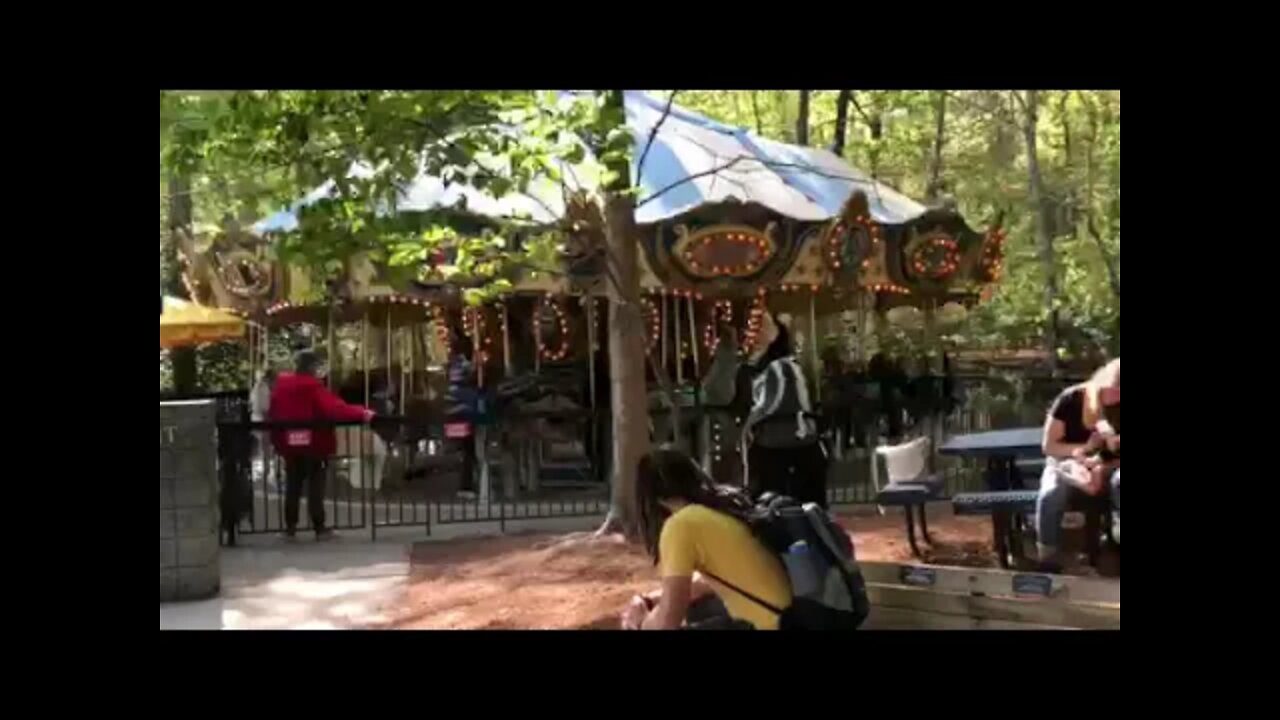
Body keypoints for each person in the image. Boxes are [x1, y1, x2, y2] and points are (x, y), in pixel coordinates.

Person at [620, 448, 792, 630]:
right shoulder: (719, 510)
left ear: (652, 499)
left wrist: (640, 623)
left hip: (766, 625)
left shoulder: (681, 524)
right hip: (788, 618)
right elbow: (705, 584)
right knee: (697, 609)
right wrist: (651, 600)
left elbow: (667, 623)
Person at [269, 350, 375, 541]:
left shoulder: (281, 386)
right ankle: (319, 527)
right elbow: (333, 408)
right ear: (311, 367)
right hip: (314, 442)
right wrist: (362, 413)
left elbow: (273, 412)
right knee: (315, 485)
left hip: (290, 443)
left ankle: (290, 528)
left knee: (293, 485)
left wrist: (277, 440)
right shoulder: (312, 386)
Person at [1036, 358, 1120, 568]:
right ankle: (1049, 556)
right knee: (1051, 494)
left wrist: (1101, 461)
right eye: (1111, 390)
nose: (1115, 397)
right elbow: (1049, 447)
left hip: (1111, 464)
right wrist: (1083, 451)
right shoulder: (1072, 399)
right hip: (1067, 463)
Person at [740, 313, 828, 508]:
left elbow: (770, 402)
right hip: (795, 439)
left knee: (774, 495)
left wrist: (749, 424)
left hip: (782, 442)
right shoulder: (783, 365)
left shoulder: (780, 367)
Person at [249, 368, 278, 487]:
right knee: (266, 448)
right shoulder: (263, 388)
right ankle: (266, 473)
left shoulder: (257, 387)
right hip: (263, 420)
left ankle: (266, 472)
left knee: (265, 448)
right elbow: (265, 408)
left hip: (257, 419)